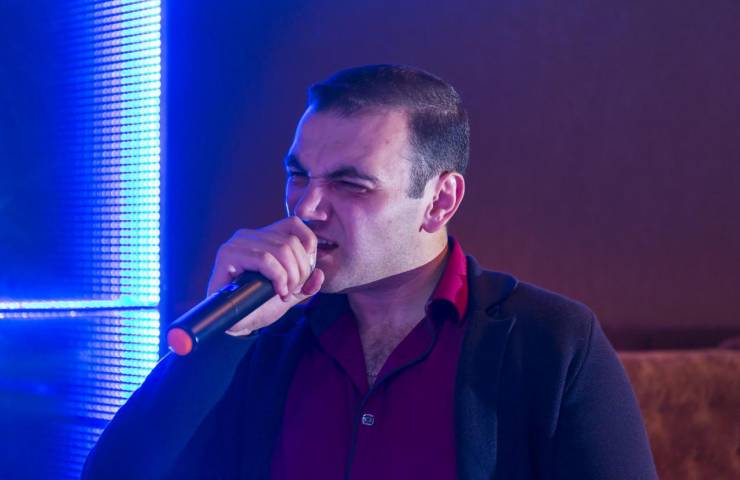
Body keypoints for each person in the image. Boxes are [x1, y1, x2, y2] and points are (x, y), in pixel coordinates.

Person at [83, 64, 657, 479]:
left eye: (350, 184)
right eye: (299, 175)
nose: (307, 207)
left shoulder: (550, 341)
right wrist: (225, 339)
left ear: (439, 202)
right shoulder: (269, 335)